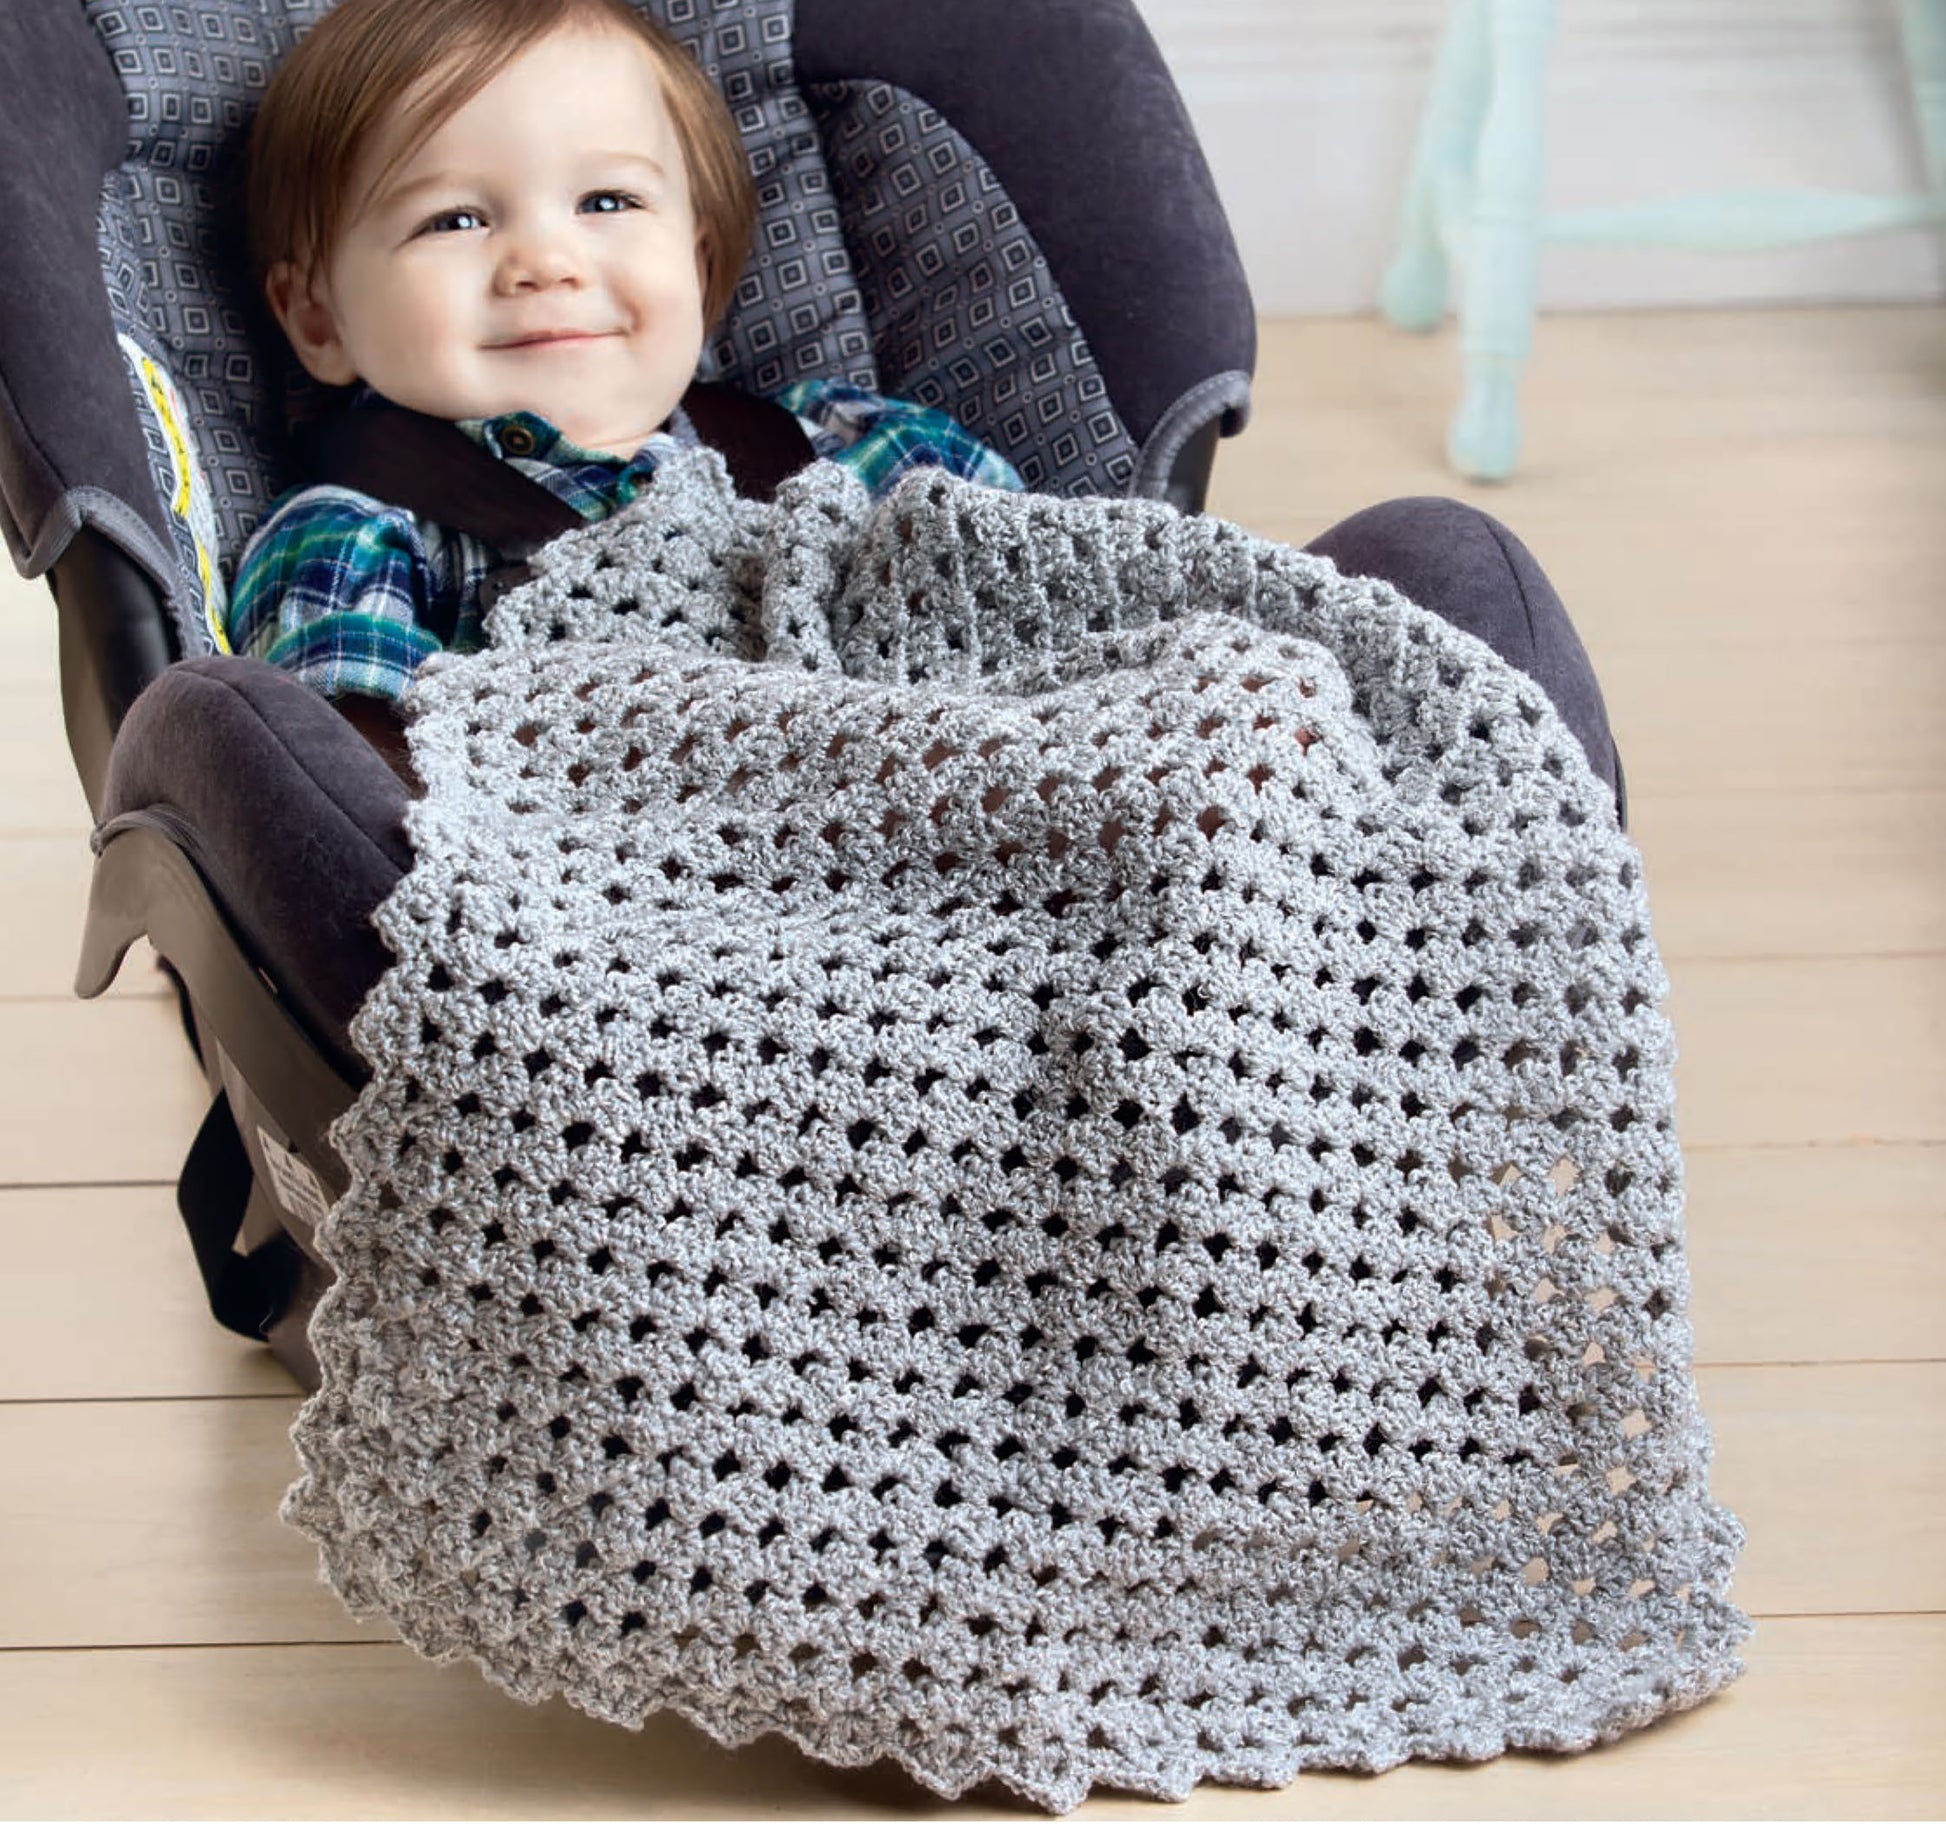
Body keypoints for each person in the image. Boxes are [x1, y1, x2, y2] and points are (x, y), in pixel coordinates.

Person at [227, 0, 1022, 772]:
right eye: (455, 220)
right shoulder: (361, 536)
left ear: (698, 267)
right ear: (319, 320)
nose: (546, 261)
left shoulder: (863, 446)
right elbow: (348, 807)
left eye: (607, 201)